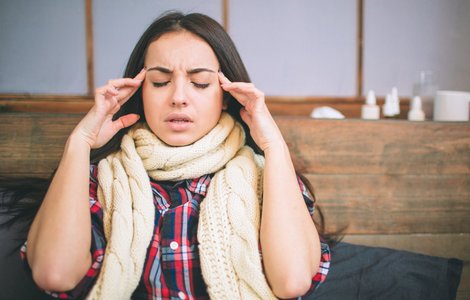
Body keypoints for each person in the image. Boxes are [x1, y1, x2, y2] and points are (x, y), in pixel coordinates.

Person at [21, 11, 330, 299]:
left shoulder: (266, 176)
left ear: (226, 95)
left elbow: (293, 281)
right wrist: (80, 142)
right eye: (160, 82)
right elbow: (54, 274)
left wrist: (274, 145)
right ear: (140, 91)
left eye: (200, 83)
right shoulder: (100, 178)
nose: (179, 98)